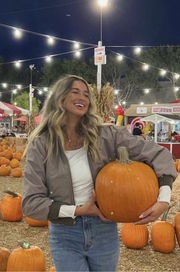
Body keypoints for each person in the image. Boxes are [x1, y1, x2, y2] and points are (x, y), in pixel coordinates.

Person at [22, 75, 177, 272]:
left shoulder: (107, 136)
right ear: (59, 97)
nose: (83, 97)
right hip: (65, 234)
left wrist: (163, 198)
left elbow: (160, 155)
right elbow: (31, 203)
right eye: (75, 91)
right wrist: (79, 210)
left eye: (86, 94)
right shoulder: (41, 145)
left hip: (103, 229)